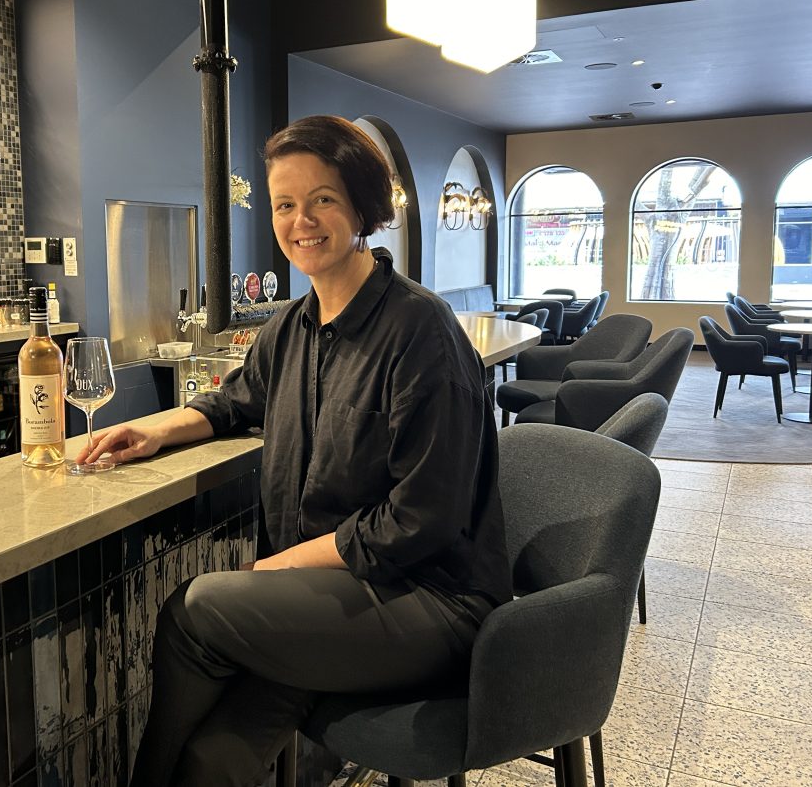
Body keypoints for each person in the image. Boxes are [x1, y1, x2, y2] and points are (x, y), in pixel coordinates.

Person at [76, 115, 511, 787]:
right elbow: (234, 401)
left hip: (431, 602)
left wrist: (277, 568)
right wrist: (159, 429)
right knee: (210, 763)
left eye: (323, 199)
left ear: (362, 206)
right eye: (284, 205)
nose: (300, 220)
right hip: (332, 597)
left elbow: (421, 521)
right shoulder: (293, 327)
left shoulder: (420, 330)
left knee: (194, 610)